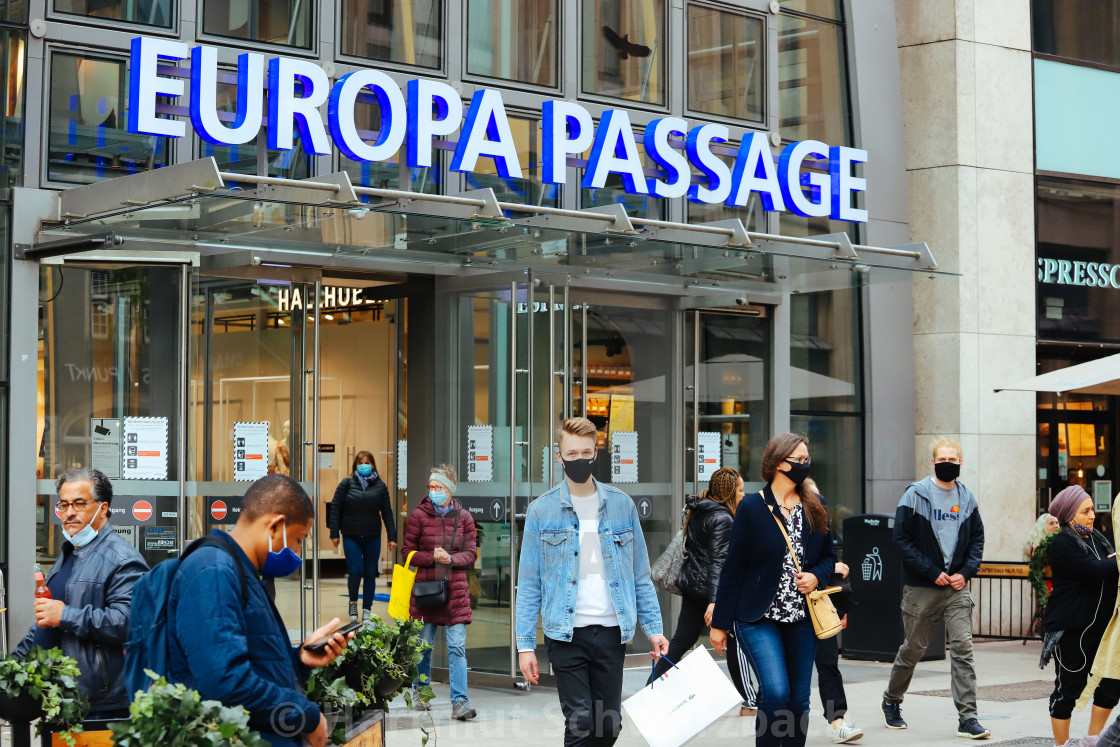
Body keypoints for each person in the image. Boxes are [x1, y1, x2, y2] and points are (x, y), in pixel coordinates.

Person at [168, 474, 353, 747]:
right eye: (299, 539)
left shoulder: (240, 571)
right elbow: (224, 682)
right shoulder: (214, 571)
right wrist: (306, 716)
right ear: (276, 526)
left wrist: (300, 658)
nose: (298, 552)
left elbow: (251, 662)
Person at [516, 417, 669, 746]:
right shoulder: (541, 511)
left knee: (608, 727)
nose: (579, 460)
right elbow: (529, 584)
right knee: (581, 722)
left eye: (585, 452)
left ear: (595, 453)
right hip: (565, 634)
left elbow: (639, 575)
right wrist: (525, 644)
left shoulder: (621, 505)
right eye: (571, 454)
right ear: (559, 457)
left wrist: (654, 628)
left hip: (612, 634)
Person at [710, 433, 837, 747]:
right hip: (759, 617)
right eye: (800, 459)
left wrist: (815, 576)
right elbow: (733, 567)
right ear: (780, 463)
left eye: (807, 459)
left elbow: (829, 557)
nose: (806, 465)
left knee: (798, 700)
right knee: (776, 692)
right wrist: (720, 624)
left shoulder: (815, 504)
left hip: (802, 618)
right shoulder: (753, 507)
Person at [15, 468, 148, 719]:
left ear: (103, 507)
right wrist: (14, 664)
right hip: (62, 697)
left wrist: (65, 615)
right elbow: (46, 621)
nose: (69, 513)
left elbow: (129, 621)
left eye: (79, 503)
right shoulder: (69, 554)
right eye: (63, 505)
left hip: (99, 703)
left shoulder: (122, 559)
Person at [881, 437, 989, 739]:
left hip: (957, 588)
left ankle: (968, 718)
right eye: (942, 459)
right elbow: (901, 540)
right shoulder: (915, 495)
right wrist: (931, 571)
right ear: (932, 461)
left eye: (953, 460)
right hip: (922, 588)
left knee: (963, 649)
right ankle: (891, 699)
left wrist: (965, 573)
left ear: (960, 463)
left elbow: (978, 539)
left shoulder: (967, 498)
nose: (948, 463)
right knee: (913, 649)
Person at [651, 467, 755, 714]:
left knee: (680, 642)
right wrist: (716, 601)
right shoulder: (724, 519)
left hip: (694, 589)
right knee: (733, 643)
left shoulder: (701, 510)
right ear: (729, 492)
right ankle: (751, 702)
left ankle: (649, 691)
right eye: (740, 490)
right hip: (711, 593)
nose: (743, 495)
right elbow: (718, 562)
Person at [1042, 485, 1120, 747]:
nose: (1092, 515)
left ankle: (1093, 740)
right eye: (1085, 511)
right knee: (1069, 689)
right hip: (1071, 628)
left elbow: (1108, 565)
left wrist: (1113, 560)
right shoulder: (1062, 542)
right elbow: (1095, 570)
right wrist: (1115, 560)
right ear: (1069, 514)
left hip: (1102, 628)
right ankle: (1062, 745)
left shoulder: (1097, 538)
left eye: (1092, 510)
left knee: (1111, 683)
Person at [402, 464, 478, 721]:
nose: (433, 491)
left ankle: (460, 702)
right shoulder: (417, 516)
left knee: (457, 647)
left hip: (455, 592)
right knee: (423, 647)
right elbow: (407, 553)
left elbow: (471, 554)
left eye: (438, 487)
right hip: (425, 592)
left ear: (450, 490)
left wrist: (451, 559)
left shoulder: (464, 518)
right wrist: (429, 556)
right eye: (431, 487)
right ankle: (421, 692)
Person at [801, 477, 862, 745]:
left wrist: (832, 568)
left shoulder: (820, 526)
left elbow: (828, 558)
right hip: (790, 610)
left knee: (828, 664)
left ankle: (837, 722)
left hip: (820, 606)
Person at [328, 450, 398, 622]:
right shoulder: (346, 484)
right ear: (355, 466)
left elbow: (387, 513)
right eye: (361, 463)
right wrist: (334, 533)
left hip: (372, 535)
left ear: (373, 465)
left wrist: (392, 536)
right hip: (351, 535)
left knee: (370, 572)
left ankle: (367, 608)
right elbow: (335, 508)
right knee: (356, 570)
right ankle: (353, 602)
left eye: (367, 462)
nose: (364, 465)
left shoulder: (380, 487)